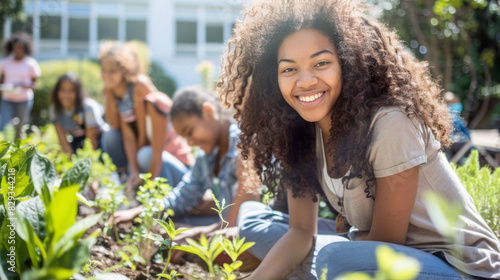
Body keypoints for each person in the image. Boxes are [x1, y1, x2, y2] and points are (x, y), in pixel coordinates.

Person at [216, 0, 500, 279]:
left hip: (458, 267)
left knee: (334, 258)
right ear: (273, 78)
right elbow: (300, 231)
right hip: (366, 253)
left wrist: (322, 261)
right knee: (254, 218)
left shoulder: (391, 123)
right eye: (289, 69)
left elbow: (387, 244)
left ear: (349, 63)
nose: (304, 81)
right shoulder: (300, 134)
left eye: (321, 63)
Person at [111, 86, 261, 268]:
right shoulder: (205, 158)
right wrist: (141, 212)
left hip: (250, 231)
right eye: (185, 137)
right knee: (166, 229)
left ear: (208, 112)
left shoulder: (243, 145)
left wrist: (197, 235)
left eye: (190, 132)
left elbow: (235, 224)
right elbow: (182, 196)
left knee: (189, 238)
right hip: (224, 225)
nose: (190, 142)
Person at [99, 41, 194, 189]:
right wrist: (134, 170)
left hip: (177, 164)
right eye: (104, 70)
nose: (106, 75)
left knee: (144, 154)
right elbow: (125, 134)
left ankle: (155, 193)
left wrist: (148, 187)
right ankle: (128, 183)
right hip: (150, 155)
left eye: (112, 71)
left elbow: (152, 145)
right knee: (111, 136)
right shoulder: (119, 95)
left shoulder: (146, 94)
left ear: (124, 70)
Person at [49, 72, 107, 154]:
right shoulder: (55, 110)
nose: (66, 94)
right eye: (63, 90)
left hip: (100, 140)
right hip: (78, 141)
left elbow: (92, 142)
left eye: (71, 90)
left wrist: (88, 161)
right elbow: (63, 142)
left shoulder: (88, 108)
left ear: (78, 92)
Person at [0, 33, 41, 139]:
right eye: (16, 48)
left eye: (21, 48)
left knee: (20, 127)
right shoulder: (5, 63)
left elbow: (34, 84)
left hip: (24, 100)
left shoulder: (31, 63)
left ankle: (17, 150)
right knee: (5, 125)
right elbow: (1, 82)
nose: (18, 50)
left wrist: (22, 85)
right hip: (7, 99)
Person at [443, 91, 472, 163]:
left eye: (454, 103)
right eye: (451, 103)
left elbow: (466, 132)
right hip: (447, 144)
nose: (454, 105)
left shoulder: (457, 118)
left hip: (457, 144)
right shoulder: (444, 118)